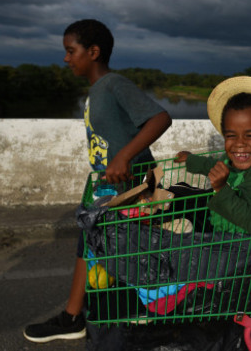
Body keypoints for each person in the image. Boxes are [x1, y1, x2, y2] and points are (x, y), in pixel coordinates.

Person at [23, 19, 172, 343]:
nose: (66, 58)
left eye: (70, 51)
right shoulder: (95, 91)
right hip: (106, 185)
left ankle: (141, 318)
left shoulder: (114, 83)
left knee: (130, 253)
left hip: (130, 186)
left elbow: (160, 117)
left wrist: (124, 157)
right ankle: (73, 316)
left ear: (93, 51)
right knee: (87, 245)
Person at [175, 76, 251, 234]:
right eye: (231, 136)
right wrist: (190, 159)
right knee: (177, 196)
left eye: (250, 136)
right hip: (221, 227)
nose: (239, 144)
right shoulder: (231, 159)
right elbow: (212, 166)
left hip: (240, 244)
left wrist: (221, 187)